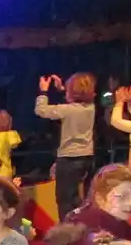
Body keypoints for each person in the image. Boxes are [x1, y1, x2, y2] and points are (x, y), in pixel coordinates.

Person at [35, 73, 96, 220]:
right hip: (86, 157)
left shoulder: (68, 110)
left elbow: (41, 110)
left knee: (65, 200)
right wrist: (62, 89)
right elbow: (75, 102)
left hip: (69, 158)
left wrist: (43, 92)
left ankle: (68, 229)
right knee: (75, 197)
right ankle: (81, 224)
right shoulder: (90, 107)